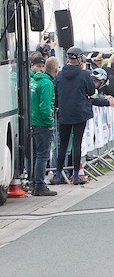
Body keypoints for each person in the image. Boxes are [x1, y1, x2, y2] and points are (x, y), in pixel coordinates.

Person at [50, 46, 95, 186]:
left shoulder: (60, 75)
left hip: (64, 113)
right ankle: (75, 175)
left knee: (62, 144)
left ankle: (58, 174)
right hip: (79, 112)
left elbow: (56, 95)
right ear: (80, 58)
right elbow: (91, 90)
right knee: (77, 144)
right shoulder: (84, 74)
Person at [30, 56, 57, 196]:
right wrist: (50, 122)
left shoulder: (31, 81)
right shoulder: (46, 84)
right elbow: (45, 106)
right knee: (42, 155)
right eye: (38, 66)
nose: (40, 69)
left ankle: (33, 183)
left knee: (35, 155)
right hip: (41, 123)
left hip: (33, 121)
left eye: (42, 66)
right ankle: (39, 185)